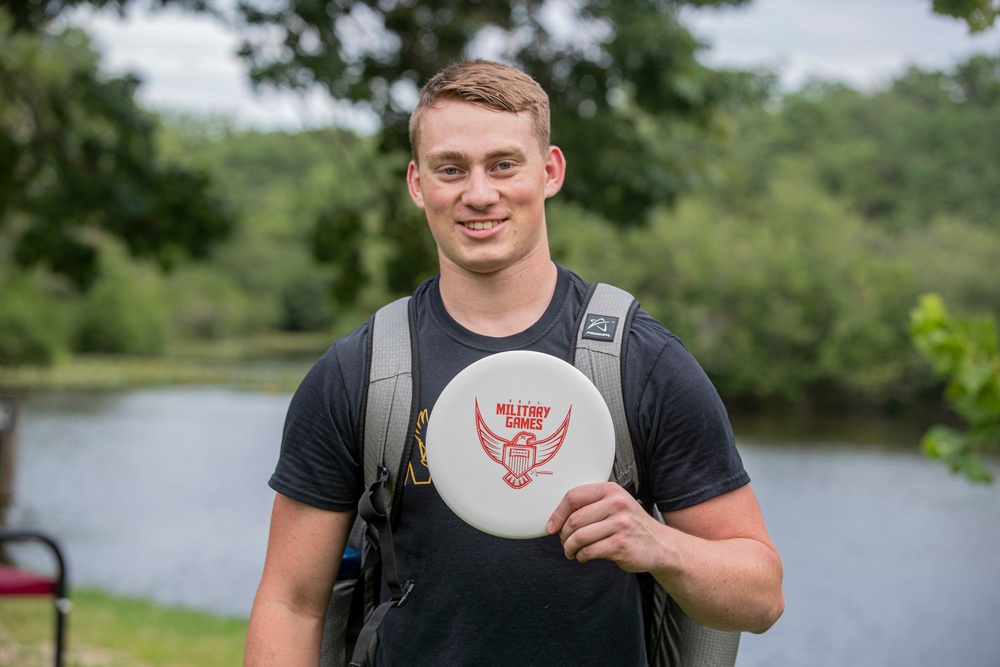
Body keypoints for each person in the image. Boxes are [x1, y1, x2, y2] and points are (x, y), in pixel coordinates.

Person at [244, 59, 784, 666]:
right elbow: (290, 602)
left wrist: (660, 545)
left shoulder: (641, 361)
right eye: (451, 169)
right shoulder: (361, 372)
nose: (479, 193)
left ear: (549, 171)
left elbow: (761, 596)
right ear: (418, 184)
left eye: (504, 164)